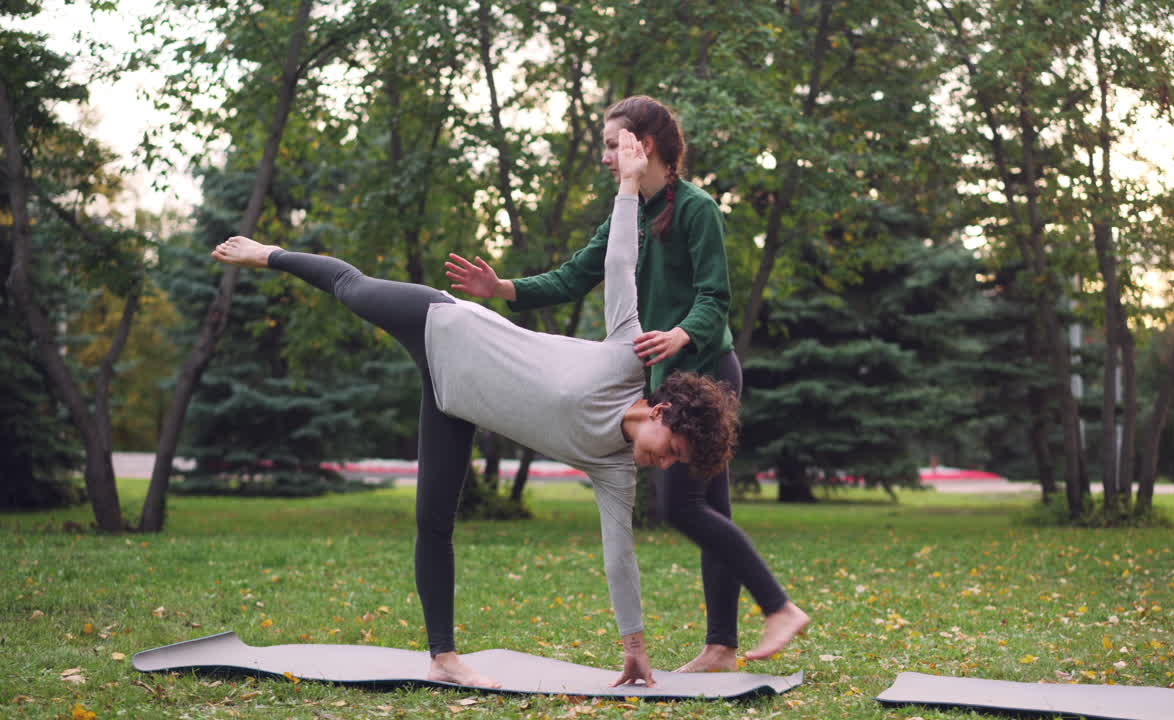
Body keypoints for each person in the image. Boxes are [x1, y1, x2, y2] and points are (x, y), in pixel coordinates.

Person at [211, 129, 740, 689]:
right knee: (350, 285)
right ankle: (268, 253)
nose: (665, 464)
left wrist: (635, 649)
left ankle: (442, 654)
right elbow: (619, 264)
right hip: (444, 325)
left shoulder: (614, 470)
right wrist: (629, 186)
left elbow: (620, 560)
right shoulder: (626, 355)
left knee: (434, 519)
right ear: (662, 413)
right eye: (673, 452)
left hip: (454, 402)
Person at [445, 95, 809, 673]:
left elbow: (715, 297)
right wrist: (502, 289)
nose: (608, 159)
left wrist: (681, 336)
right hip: (668, 379)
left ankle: (779, 607)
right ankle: (722, 645)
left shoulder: (697, 210)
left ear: (648, 146)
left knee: (683, 507)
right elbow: (574, 275)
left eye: (615, 145)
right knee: (707, 507)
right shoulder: (629, 212)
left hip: (706, 371)